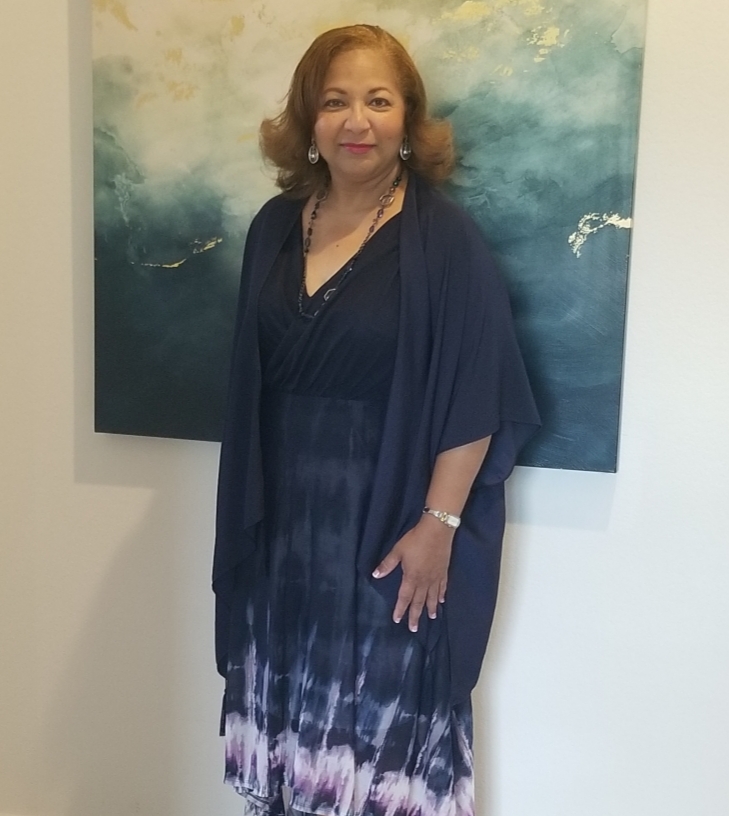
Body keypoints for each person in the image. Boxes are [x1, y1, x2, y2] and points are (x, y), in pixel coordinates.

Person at [213, 24, 540, 816]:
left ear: (407, 120)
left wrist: (438, 525)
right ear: (308, 119)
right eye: (335, 102)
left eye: (378, 101)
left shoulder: (444, 241)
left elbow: (480, 391)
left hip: (386, 521)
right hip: (281, 526)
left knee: (381, 731)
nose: (355, 121)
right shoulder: (271, 227)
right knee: (292, 732)